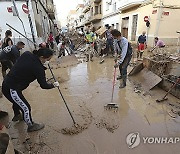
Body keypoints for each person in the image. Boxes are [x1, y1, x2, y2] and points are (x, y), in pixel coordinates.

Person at [2, 48, 59, 132]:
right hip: (12, 88)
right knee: (26, 108)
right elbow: (43, 85)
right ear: (42, 57)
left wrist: (42, 64)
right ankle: (31, 125)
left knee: (17, 102)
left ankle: (17, 115)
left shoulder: (27, 54)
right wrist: (53, 85)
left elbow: (27, 64)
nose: (48, 61)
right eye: (48, 59)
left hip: (7, 83)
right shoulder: (39, 68)